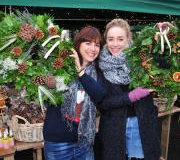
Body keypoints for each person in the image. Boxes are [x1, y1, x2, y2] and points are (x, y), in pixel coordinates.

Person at [73, 19, 161, 160]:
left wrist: (164, 35)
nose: (115, 44)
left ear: (128, 39)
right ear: (106, 40)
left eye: (120, 39)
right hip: (114, 128)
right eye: (110, 39)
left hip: (142, 126)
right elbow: (102, 102)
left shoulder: (142, 59)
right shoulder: (98, 64)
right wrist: (130, 97)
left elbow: (166, 62)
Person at [43, 25, 104, 160]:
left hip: (85, 142)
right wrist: (51, 84)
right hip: (58, 142)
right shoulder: (62, 65)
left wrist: (80, 71)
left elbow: (99, 95)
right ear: (78, 44)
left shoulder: (97, 72)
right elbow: (48, 97)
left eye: (97, 45)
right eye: (88, 43)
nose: (93, 49)